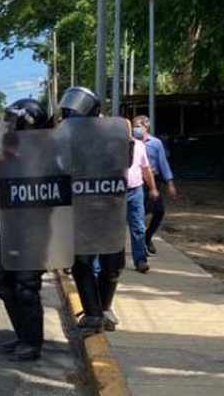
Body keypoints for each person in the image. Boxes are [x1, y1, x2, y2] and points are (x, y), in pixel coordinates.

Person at [60, 86, 135, 335]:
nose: (72, 111)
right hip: (80, 207)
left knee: (113, 263)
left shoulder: (114, 132)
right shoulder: (66, 136)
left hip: (109, 206)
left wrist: (119, 132)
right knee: (81, 262)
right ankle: (92, 313)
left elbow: (127, 159)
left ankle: (103, 308)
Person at [0, 98, 53, 362]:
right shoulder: (8, 149)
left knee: (26, 288)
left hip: (36, 229)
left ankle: (33, 342)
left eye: (16, 120)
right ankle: (22, 335)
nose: (12, 125)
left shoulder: (51, 149)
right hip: (10, 227)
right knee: (5, 286)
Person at [132, 115, 178, 255]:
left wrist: (169, 183)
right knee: (140, 214)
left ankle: (148, 237)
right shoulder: (131, 142)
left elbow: (163, 163)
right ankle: (140, 247)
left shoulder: (156, 143)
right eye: (134, 126)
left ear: (146, 127)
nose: (135, 129)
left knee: (159, 211)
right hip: (138, 181)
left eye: (138, 126)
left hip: (153, 180)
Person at [127, 125, 159, 273]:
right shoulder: (109, 144)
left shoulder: (139, 145)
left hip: (135, 191)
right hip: (114, 193)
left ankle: (140, 260)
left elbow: (145, 168)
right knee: (113, 229)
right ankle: (110, 261)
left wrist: (152, 188)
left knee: (138, 227)